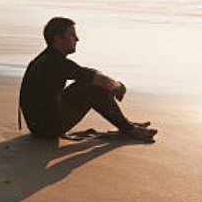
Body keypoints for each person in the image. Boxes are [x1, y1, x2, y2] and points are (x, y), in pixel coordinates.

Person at [19, 17, 157, 142]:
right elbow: (101, 81)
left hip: (37, 126)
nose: (77, 39)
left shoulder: (44, 58)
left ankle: (126, 125)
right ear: (58, 38)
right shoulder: (56, 63)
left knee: (92, 79)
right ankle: (129, 129)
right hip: (47, 129)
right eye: (72, 35)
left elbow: (90, 74)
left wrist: (101, 78)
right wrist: (120, 87)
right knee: (95, 86)